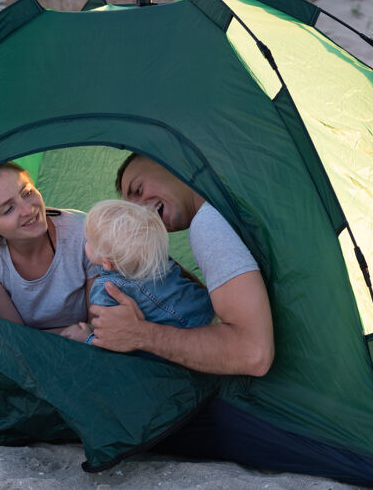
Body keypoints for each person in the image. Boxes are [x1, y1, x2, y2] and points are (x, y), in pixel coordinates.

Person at [88, 153, 274, 376]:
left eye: (138, 190)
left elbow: (253, 354)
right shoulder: (228, 203)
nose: (140, 211)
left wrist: (140, 334)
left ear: (171, 162)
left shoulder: (208, 223)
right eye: (131, 206)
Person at [0, 162, 98, 333]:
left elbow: (99, 327)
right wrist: (68, 334)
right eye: (8, 209)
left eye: (27, 193)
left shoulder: (84, 231)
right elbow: (13, 335)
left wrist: (85, 335)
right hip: (26, 350)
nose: (28, 209)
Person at [61, 199, 217, 344]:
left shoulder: (106, 290)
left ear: (107, 263)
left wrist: (87, 338)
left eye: (88, 240)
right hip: (210, 312)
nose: (84, 241)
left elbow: (112, 336)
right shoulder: (158, 259)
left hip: (178, 341)